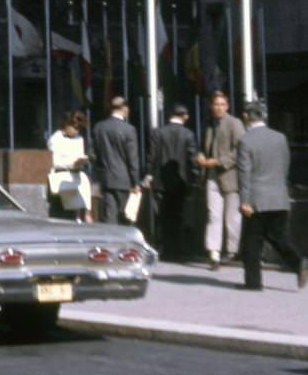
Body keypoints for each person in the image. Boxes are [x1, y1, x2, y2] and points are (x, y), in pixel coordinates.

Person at [236, 101, 308, 291]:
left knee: (252, 241)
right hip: (279, 196)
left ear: (246, 117)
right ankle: (298, 262)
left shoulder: (245, 141)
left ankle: (253, 283)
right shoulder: (280, 138)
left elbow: (244, 173)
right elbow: (285, 166)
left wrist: (244, 200)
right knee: (279, 237)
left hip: (256, 199)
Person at [198, 90, 245, 271]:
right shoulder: (209, 125)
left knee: (232, 217)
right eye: (215, 104)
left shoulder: (235, 123)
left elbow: (240, 150)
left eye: (221, 104)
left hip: (231, 177)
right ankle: (214, 253)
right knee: (213, 215)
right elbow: (205, 148)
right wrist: (201, 156)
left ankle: (232, 251)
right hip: (212, 177)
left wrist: (218, 161)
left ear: (227, 106)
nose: (218, 108)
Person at [146, 103, 198, 261]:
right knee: (179, 215)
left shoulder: (158, 133)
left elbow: (152, 156)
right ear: (183, 116)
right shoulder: (188, 134)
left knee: (164, 215)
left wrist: (148, 175)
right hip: (181, 182)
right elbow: (192, 158)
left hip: (161, 181)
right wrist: (195, 177)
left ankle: (166, 249)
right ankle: (178, 251)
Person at [92, 97, 141, 225]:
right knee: (126, 217)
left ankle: (111, 243)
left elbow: (92, 154)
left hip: (106, 179)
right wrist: (136, 182)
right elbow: (132, 158)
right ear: (124, 109)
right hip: (124, 180)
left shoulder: (99, 127)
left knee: (109, 216)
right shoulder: (129, 130)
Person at [47, 112, 92, 221]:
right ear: (67, 124)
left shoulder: (79, 138)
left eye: (79, 129)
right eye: (74, 128)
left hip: (75, 179)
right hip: (61, 178)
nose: (76, 131)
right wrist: (72, 163)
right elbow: (55, 161)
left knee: (73, 213)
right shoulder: (55, 139)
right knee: (60, 214)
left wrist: (82, 161)